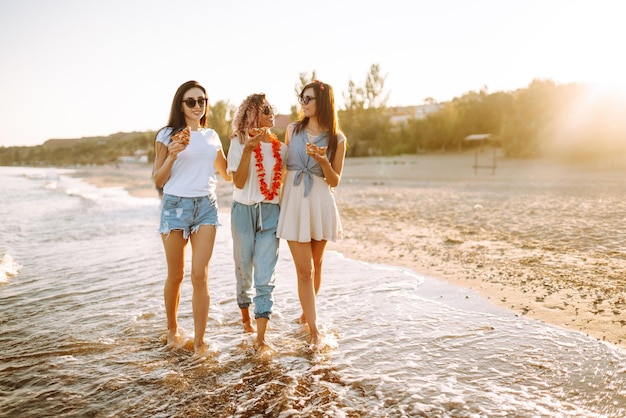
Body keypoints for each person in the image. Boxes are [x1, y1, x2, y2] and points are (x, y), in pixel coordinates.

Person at [152, 80, 231, 355]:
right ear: (180, 105)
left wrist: (246, 144)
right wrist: (172, 156)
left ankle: (199, 343)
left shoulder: (212, 136)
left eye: (202, 101)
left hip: (206, 207)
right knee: (176, 275)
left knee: (200, 275)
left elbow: (227, 173)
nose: (198, 106)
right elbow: (158, 179)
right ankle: (172, 330)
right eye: (191, 101)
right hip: (175, 206)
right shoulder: (166, 135)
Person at [276, 80, 347, 349]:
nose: (303, 103)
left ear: (323, 102)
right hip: (295, 201)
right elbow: (281, 167)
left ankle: (306, 316)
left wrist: (323, 161)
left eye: (308, 99)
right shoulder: (292, 130)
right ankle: (315, 331)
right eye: (301, 98)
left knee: (317, 266)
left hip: (320, 201)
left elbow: (335, 180)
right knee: (304, 270)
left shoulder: (337, 138)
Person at [227, 93, 287, 353]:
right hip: (243, 211)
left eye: (271, 108)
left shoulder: (280, 149)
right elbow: (238, 182)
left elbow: (285, 183)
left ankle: (261, 338)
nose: (270, 112)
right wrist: (249, 148)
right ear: (251, 114)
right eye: (265, 109)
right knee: (244, 271)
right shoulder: (238, 143)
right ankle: (244, 318)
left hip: (271, 213)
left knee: (265, 275)